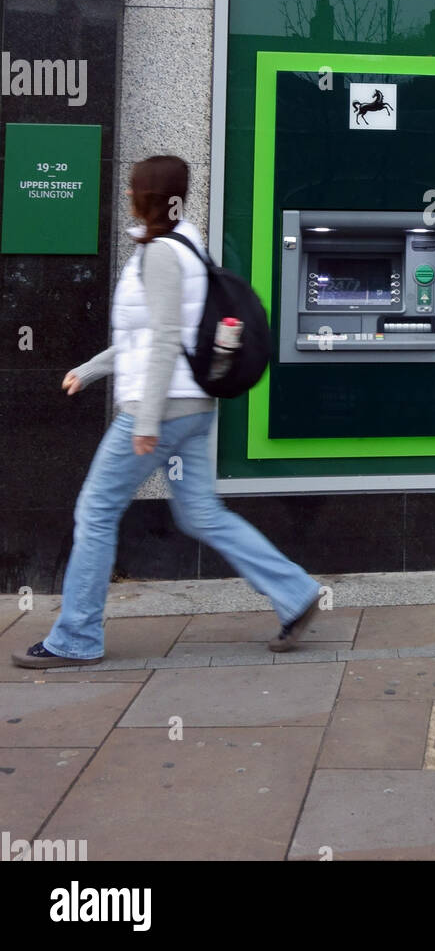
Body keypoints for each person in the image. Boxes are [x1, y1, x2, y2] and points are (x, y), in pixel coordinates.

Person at [12, 155, 321, 669]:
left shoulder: (159, 254)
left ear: (142, 195)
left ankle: (76, 637)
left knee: (95, 510)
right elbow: (152, 337)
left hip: (158, 408)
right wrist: (89, 370)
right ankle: (295, 592)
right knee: (200, 513)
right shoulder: (188, 246)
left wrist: (149, 420)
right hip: (193, 407)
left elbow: (159, 342)